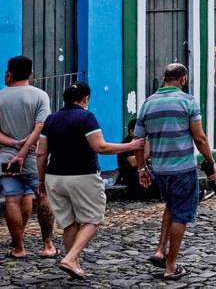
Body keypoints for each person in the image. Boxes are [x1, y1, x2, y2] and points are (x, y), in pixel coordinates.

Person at [34, 82, 143, 280]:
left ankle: (74, 264)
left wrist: (41, 179)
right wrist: (131, 145)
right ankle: (70, 258)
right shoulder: (86, 117)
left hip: (54, 177)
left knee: (69, 223)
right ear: (85, 99)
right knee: (93, 219)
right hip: (83, 175)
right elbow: (100, 147)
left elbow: (41, 152)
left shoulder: (51, 119)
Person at [135, 63, 216, 281]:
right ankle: (171, 266)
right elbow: (199, 138)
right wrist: (211, 161)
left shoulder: (148, 103)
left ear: (165, 78)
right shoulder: (187, 101)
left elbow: (138, 141)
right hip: (182, 168)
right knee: (181, 214)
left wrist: (142, 167)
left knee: (171, 206)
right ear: (183, 79)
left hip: (160, 169)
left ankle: (160, 250)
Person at [0, 55, 57, 259]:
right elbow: (41, 127)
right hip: (34, 156)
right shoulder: (40, 96)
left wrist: (15, 144)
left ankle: (19, 247)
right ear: (31, 73)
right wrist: (25, 149)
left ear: (9, 73)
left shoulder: (0, 96)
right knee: (42, 195)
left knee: (12, 198)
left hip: (6, 157)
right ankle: (48, 245)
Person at [116, 119, 160, 200]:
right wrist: (148, 152)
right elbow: (133, 162)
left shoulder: (143, 142)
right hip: (130, 174)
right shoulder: (127, 143)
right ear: (131, 131)